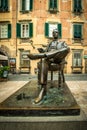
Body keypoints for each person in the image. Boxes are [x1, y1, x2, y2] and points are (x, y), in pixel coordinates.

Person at [28, 29, 70, 103]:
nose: (55, 34)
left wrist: (47, 54)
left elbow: (66, 51)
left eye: (56, 32)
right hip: (49, 60)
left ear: (58, 34)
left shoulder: (62, 43)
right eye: (53, 33)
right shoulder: (49, 44)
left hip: (58, 60)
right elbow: (46, 51)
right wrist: (43, 51)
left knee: (67, 48)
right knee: (43, 60)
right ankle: (43, 89)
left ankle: (42, 55)